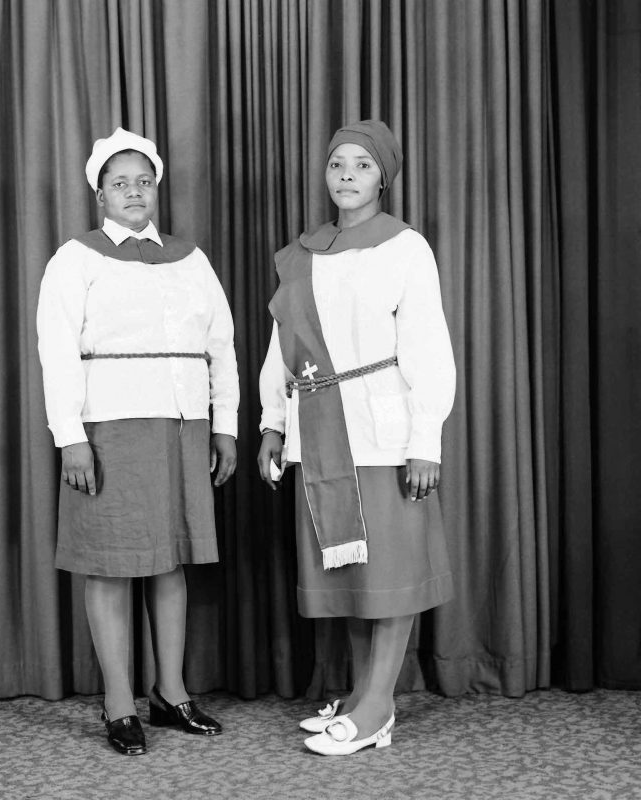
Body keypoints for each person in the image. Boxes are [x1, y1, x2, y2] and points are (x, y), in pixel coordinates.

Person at [37, 127, 239, 756]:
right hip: (111, 428)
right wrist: (70, 437)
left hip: (182, 425)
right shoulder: (76, 258)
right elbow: (57, 354)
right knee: (112, 564)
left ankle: (170, 692)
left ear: (157, 188)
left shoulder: (191, 258)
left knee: (170, 559)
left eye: (143, 181)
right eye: (119, 183)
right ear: (100, 193)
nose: (133, 192)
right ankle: (118, 701)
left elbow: (221, 347)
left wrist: (225, 423)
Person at [257, 120, 455, 756]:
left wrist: (426, 436)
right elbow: (281, 347)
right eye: (337, 163)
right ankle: (363, 692)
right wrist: (271, 422)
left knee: (388, 571)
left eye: (362, 165)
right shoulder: (304, 253)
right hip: (316, 431)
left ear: (383, 177)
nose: (346, 175)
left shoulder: (405, 248)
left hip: (381, 432)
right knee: (351, 576)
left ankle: (376, 709)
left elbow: (428, 345)